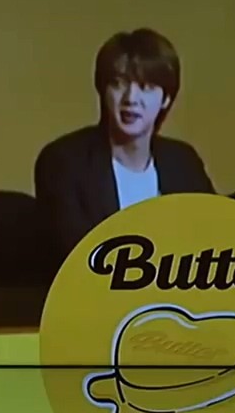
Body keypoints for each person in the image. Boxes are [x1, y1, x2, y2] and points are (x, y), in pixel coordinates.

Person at [34, 28, 215, 264]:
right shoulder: (64, 162)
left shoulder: (183, 162)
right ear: (103, 91)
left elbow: (214, 242)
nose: (131, 98)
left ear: (166, 99)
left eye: (146, 87)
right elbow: (77, 258)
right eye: (119, 84)